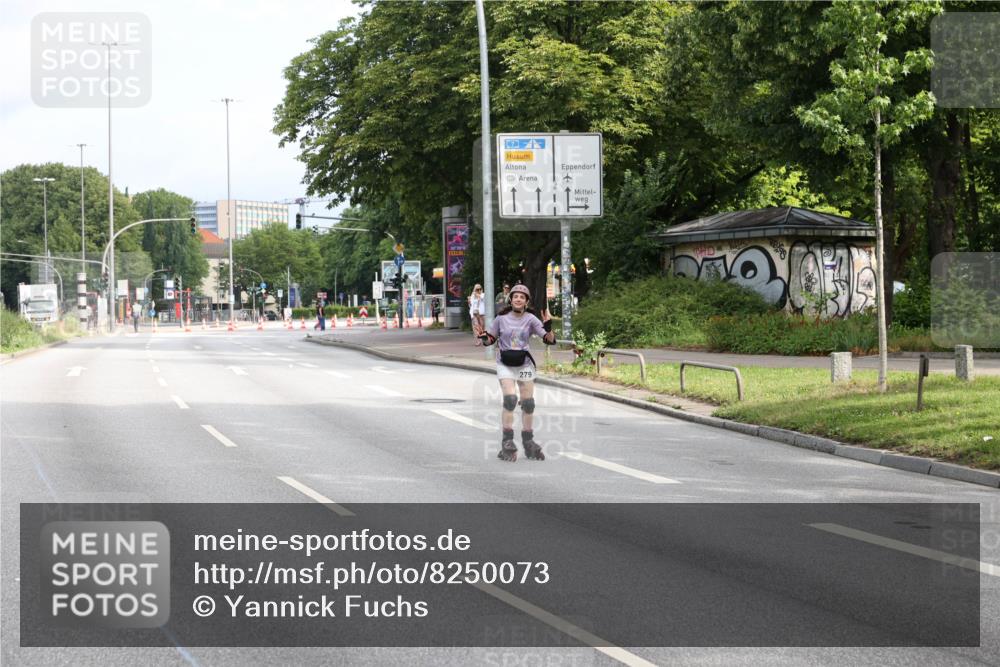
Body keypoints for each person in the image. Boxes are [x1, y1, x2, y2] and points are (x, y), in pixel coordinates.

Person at [472, 284, 556, 462]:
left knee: (528, 403)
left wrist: (548, 327)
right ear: (510, 299)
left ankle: (528, 441)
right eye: (515, 296)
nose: (518, 299)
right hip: (505, 364)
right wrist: (483, 338)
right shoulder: (501, 319)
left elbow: (549, 340)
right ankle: (507, 441)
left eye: (522, 297)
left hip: (524, 364)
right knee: (510, 400)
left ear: (526, 301)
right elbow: (491, 339)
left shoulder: (531, 319)